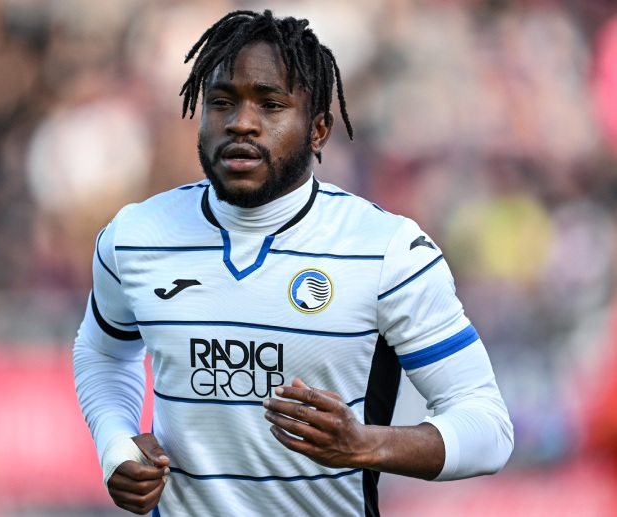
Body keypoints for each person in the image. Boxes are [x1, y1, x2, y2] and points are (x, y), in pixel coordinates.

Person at [73, 9, 513, 516]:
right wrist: (115, 444)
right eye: (221, 102)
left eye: (271, 104)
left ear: (319, 129)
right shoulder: (135, 236)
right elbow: (103, 353)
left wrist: (366, 444)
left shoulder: (387, 251)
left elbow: (488, 428)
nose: (241, 123)